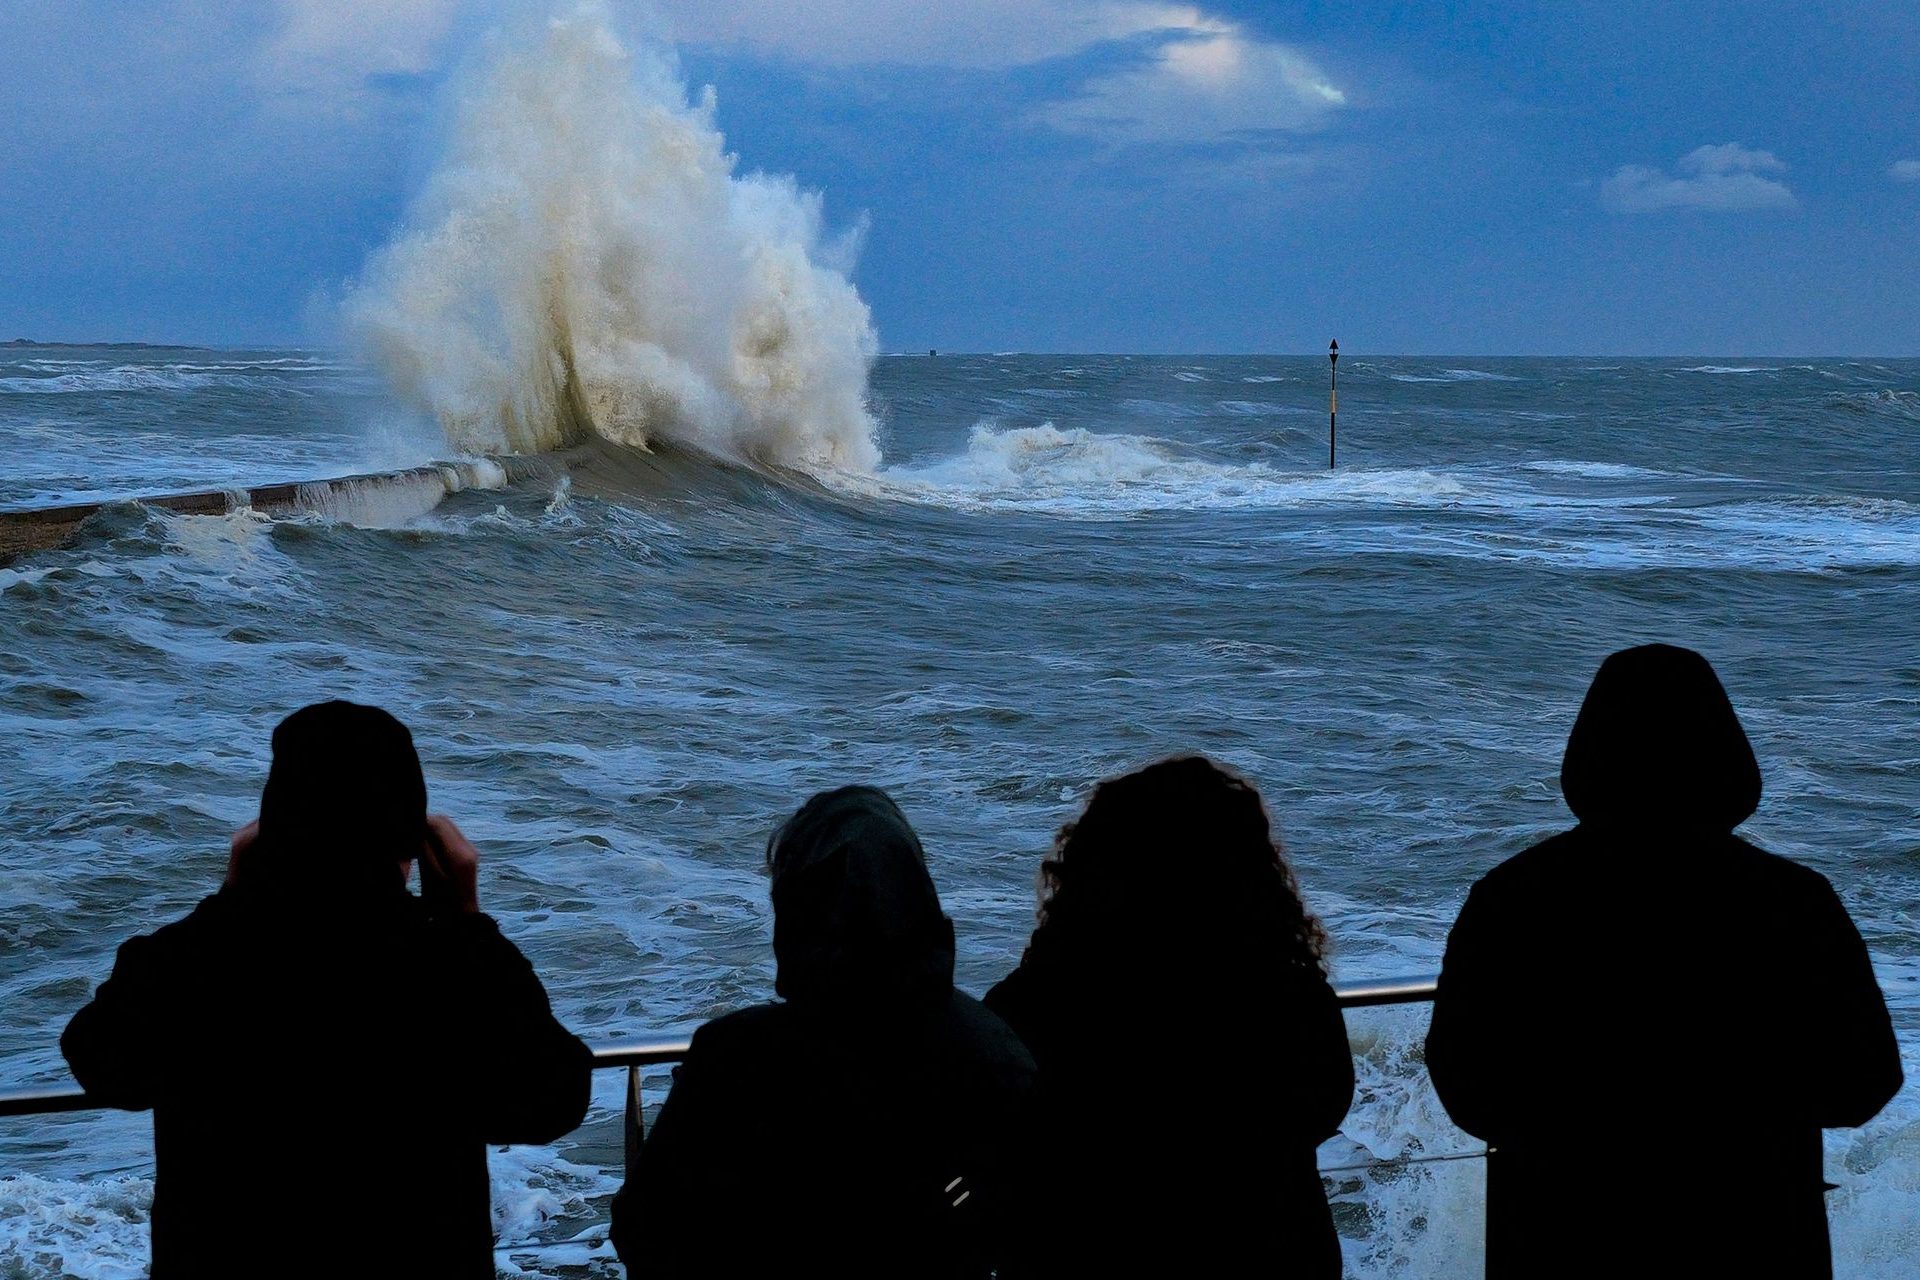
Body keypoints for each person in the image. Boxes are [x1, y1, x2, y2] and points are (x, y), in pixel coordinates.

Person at [61, 701, 593, 1279]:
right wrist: (468, 923)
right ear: (413, 842)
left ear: (270, 829)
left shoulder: (197, 958)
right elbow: (551, 1100)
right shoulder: (448, 966)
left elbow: (103, 1062)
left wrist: (231, 900)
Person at [1425, 644, 1903, 1279]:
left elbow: (1465, 1078)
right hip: (1752, 1226)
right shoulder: (1792, 899)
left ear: (1589, 755)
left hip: (1560, 1225)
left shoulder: (1514, 896)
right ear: (1725, 757)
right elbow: (1865, 1078)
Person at [610, 786, 1037, 1279]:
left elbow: (644, 1228)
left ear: (793, 918)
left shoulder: (737, 1060)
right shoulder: (998, 1057)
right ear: (917, 893)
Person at [984, 755, 1354, 1279]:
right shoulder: (1284, 993)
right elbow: (1324, 1104)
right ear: (1247, 871)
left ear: (1093, 865)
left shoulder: (1045, 996)